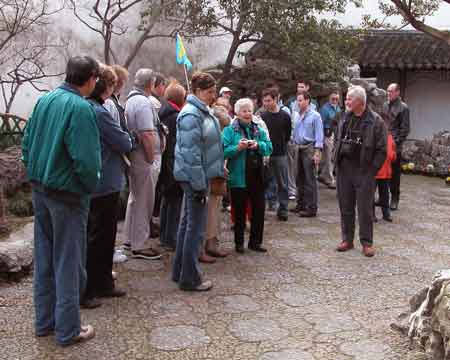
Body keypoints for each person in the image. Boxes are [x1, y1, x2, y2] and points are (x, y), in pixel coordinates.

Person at [22, 56, 101, 346]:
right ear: (91, 78)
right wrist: (88, 187)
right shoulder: (81, 108)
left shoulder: (45, 100)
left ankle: (44, 322)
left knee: (45, 258)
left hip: (40, 189)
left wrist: (33, 171)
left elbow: (27, 142)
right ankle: (68, 329)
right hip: (67, 195)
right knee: (69, 262)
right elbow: (88, 161)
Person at [83, 65, 137, 306]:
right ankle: (97, 284)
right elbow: (122, 141)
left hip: (98, 180)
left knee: (99, 235)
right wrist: (131, 138)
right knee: (102, 236)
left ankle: (100, 282)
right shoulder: (100, 110)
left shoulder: (89, 106)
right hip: (105, 181)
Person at [172, 72, 225, 291]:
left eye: (214, 91)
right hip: (195, 178)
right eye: (210, 91)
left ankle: (180, 272)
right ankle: (190, 278)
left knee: (188, 225)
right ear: (198, 91)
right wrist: (199, 183)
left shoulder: (199, 111)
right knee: (195, 229)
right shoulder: (191, 114)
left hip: (199, 175)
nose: (213, 95)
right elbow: (190, 153)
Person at [334, 85, 387, 257]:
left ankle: (367, 242)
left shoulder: (375, 121)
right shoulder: (344, 117)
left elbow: (382, 150)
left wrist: (372, 170)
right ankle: (347, 240)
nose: (346, 101)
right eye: (347, 98)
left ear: (360, 101)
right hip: (345, 168)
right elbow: (337, 141)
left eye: (350, 98)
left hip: (364, 170)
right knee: (345, 206)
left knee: (365, 209)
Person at [223, 98, 273, 253]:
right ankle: (239, 243)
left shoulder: (258, 128)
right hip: (239, 176)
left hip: (257, 175)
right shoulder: (230, 130)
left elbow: (269, 147)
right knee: (239, 211)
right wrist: (237, 148)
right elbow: (223, 150)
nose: (247, 114)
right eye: (244, 111)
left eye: (250, 110)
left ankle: (255, 242)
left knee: (258, 210)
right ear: (237, 113)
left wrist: (258, 145)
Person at [123, 68, 163, 260]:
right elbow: (147, 133)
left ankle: (130, 239)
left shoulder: (131, 100)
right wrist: (151, 158)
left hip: (137, 157)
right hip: (144, 157)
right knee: (144, 201)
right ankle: (140, 244)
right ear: (150, 84)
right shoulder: (143, 102)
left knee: (136, 197)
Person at [201, 103, 232, 262]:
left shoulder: (217, 133)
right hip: (209, 179)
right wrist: (220, 169)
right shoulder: (209, 134)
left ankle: (212, 243)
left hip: (216, 178)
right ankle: (206, 246)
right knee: (209, 214)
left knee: (215, 213)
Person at [158, 82, 186, 251]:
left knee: (166, 202)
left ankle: (164, 236)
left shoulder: (163, 111)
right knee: (173, 203)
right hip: (172, 165)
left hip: (164, 164)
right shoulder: (175, 117)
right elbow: (174, 145)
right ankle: (170, 239)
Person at [261, 87, 291, 221]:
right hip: (266, 154)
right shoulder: (262, 117)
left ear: (275, 99)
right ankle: (268, 204)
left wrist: (282, 145)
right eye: (264, 101)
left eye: (268, 100)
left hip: (280, 153)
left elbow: (288, 134)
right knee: (265, 181)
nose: (266, 103)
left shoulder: (285, 116)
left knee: (283, 182)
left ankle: (283, 208)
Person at [292, 91, 324, 217]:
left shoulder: (315, 116)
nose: (298, 103)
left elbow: (319, 135)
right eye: (297, 100)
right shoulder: (296, 115)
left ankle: (312, 207)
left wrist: (317, 152)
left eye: (300, 100)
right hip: (298, 147)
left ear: (307, 101)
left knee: (309, 178)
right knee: (299, 177)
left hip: (309, 147)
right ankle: (301, 203)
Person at [384, 83, 410, 211]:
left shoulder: (403, 108)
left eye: (391, 91)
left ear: (398, 92)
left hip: (395, 145)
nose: (388, 93)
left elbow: (405, 129)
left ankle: (394, 198)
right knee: (381, 172)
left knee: (394, 174)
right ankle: (383, 197)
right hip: (383, 142)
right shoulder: (385, 105)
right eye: (387, 91)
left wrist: (396, 142)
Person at [318, 91, 341, 189]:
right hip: (327, 134)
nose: (335, 101)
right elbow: (320, 123)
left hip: (336, 134)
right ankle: (330, 179)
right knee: (328, 158)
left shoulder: (337, 108)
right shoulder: (324, 109)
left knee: (328, 156)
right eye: (333, 99)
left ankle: (323, 175)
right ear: (329, 98)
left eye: (336, 99)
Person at [375, 131, 396, 222]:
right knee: (372, 194)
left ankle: (386, 214)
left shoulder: (389, 136)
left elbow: (393, 154)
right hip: (375, 171)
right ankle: (372, 214)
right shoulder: (375, 135)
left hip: (384, 171)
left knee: (385, 194)